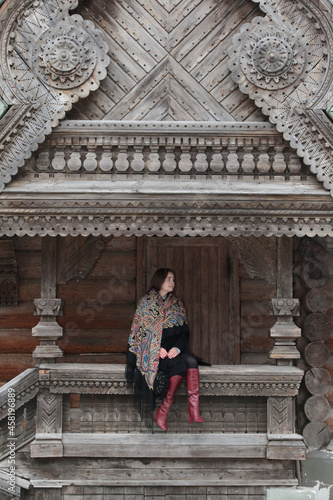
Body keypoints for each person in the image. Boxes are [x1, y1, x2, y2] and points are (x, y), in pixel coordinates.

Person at [126, 268, 204, 431]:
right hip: (153, 351)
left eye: (173, 279)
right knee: (181, 366)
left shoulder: (177, 304)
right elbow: (139, 333)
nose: (172, 283)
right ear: (159, 280)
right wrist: (155, 348)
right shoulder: (146, 303)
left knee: (190, 360)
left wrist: (177, 348)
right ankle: (164, 410)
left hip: (172, 351)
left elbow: (184, 332)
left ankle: (192, 409)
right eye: (169, 279)